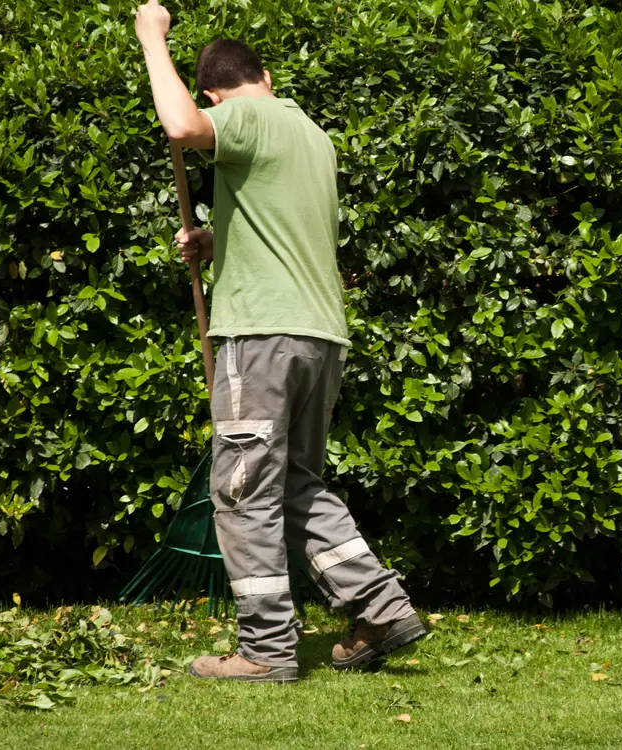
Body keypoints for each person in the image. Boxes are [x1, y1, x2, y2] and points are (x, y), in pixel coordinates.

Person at [134, 1, 424, 684]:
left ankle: (266, 652)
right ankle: (380, 608)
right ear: (267, 73)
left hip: (260, 334)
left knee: (242, 491)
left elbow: (181, 127)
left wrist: (153, 40)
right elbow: (281, 227)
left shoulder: (245, 114)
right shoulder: (306, 130)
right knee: (295, 484)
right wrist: (217, 239)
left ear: (217, 91)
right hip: (317, 334)